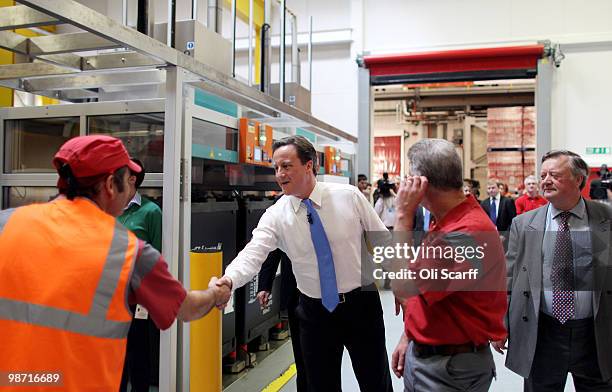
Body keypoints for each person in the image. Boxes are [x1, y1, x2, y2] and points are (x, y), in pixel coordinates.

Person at [0, 135, 230, 391]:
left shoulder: (8, 223)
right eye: (127, 180)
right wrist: (215, 293)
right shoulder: (128, 251)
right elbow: (186, 309)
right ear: (111, 184)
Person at [215, 135, 393, 392]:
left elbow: (383, 240)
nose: (279, 174)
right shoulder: (277, 214)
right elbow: (253, 253)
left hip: (360, 307)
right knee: (319, 386)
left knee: (375, 382)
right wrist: (228, 280)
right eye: (276, 168)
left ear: (309, 165)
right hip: (314, 313)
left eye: (286, 166)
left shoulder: (348, 197)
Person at [390, 138, 507, 392]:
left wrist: (402, 217)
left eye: (410, 178)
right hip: (430, 355)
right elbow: (424, 295)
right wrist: (409, 336)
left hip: (448, 369)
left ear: (422, 183)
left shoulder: (464, 233)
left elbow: (401, 287)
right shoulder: (448, 220)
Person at [495, 150, 612, 391]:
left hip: (595, 333)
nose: (545, 180)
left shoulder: (605, 218)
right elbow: (509, 277)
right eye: (543, 175)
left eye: (555, 175)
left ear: (579, 179)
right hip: (542, 332)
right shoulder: (525, 224)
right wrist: (501, 322)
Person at [119, 160, 162, 392]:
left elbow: (157, 258)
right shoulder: (106, 207)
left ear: (132, 179)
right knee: (113, 355)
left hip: (136, 297)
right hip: (106, 295)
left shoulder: (150, 212)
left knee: (137, 354)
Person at [257, 249, 307, 392]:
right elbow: (274, 248)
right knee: (302, 360)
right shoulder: (283, 225)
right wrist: (265, 285)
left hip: (330, 297)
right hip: (297, 296)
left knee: (325, 363)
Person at [481, 179, 517, 248]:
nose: (491, 190)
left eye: (493, 188)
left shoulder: (507, 201)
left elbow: (513, 221)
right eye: (489, 188)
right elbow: (483, 222)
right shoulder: (484, 203)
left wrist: (505, 235)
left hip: (505, 239)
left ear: (498, 188)